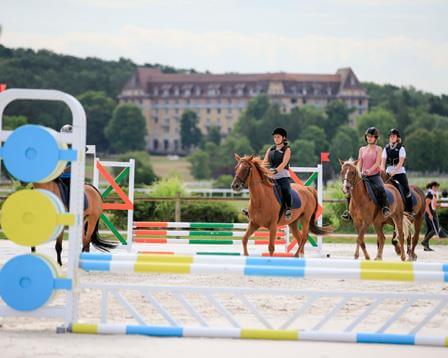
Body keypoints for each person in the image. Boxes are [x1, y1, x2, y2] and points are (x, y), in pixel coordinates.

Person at [242, 127, 293, 220]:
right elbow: (265, 161)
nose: (276, 139)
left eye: (278, 137)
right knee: (258, 189)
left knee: (285, 189)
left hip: (282, 175)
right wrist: (261, 169)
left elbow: (284, 162)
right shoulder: (271, 149)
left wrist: (276, 170)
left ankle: (288, 209)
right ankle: (251, 209)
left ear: (283, 138)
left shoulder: (287, 149)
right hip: (270, 175)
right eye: (275, 137)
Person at [341, 127, 390, 221]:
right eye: (368, 136)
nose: (369, 138)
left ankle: (385, 208)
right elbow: (359, 163)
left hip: (374, 175)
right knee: (350, 189)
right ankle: (349, 212)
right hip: (363, 175)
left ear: (375, 138)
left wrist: (369, 171)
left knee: (381, 188)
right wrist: (360, 171)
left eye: (371, 136)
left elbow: (377, 163)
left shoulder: (379, 149)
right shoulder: (362, 149)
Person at [380, 128, 413, 215]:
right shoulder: (386, 148)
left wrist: (394, 172)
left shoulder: (401, 148)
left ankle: (409, 210)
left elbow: (401, 162)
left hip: (399, 172)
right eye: (390, 136)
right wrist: (382, 171)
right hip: (388, 172)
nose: (392, 137)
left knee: (406, 189)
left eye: (393, 136)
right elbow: (383, 162)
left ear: (397, 138)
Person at [421, 181, 441, 251]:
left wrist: (437, 205)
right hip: (430, 213)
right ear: (433, 187)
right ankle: (424, 241)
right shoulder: (430, 194)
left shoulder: (433, 194)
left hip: (433, 212)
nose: (437, 189)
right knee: (435, 229)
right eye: (436, 187)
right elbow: (426, 206)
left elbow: (432, 204)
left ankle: (426, 246)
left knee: (429, 229)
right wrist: (430, 214)